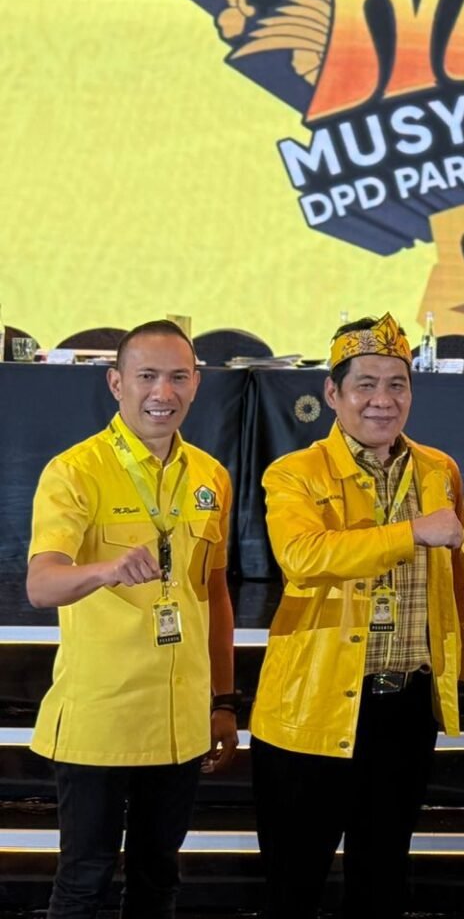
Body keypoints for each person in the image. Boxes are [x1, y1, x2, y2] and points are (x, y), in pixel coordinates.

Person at [249, 314, 464, 919]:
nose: (383, 399)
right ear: (332, 392)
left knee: (381, 884)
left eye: (397, 384)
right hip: (314, 706)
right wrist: (411, 532)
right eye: (366, 384)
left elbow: (456, 569)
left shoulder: (438, 470)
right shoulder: (294, 472)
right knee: (293, 888)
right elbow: (303, 557)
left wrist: (460, 646)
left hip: (406, 708)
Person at [26, 320, 237, 918]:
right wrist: (105, 570)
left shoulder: (210, 475)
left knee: (158, 876)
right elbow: (41, 585)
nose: (162, 393)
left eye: (178, 377)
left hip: (180, 721)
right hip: (103, 717)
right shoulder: (76, 471)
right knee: (83, 881)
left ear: (196, 383)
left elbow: (213, 592)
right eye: (147, 376)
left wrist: (224, 700)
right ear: (116, 383)